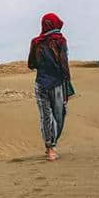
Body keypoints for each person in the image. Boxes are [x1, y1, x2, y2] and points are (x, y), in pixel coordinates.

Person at [28, 13, 73, 161]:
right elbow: (64, 64)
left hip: (45, 83)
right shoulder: (56, 41)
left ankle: (50, 145)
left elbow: (31, 64)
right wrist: (68, 85)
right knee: (54, 117)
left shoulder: (41, 42)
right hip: (53, 84)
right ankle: (51, 147)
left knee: (51, 117)